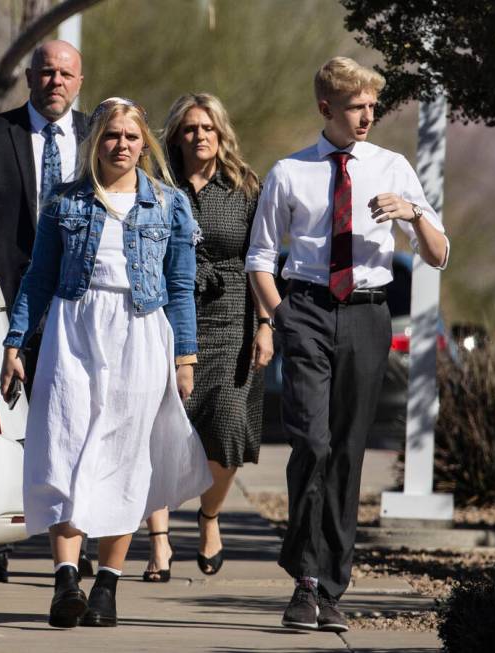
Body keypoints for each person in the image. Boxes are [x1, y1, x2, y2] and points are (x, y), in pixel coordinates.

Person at [245, 57, 449, 632]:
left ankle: (328, 585)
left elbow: (437, 253)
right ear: (326, 108)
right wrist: (281, 318)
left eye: (371, 106)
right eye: (356, 106)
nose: (367, 116)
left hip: (368, 315)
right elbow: (260, 258)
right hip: (305, 310)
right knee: (311, 440)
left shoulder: (393, 166)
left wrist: (412, 212)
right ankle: (305, 579)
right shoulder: (290, 172)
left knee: (348, 452)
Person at [0, 97, 212, 628]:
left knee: (126, 455)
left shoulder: (167, 205)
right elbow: (38, 278)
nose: (121, 145)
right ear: (96, 141)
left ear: (145, 144)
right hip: (73, 331)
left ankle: (108, 588)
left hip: (141, 331)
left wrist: (185, 357)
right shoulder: (65, 201)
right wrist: (15, 341)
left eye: (131, 137)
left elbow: (181, 286)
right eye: (112, 136)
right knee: (62, 445)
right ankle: (65, 580)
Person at [0, 40, 92, 583]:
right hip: (5, 302)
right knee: (8, 421)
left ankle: (81, 534)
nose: (56, 81)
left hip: (80, 304)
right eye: (46, 72)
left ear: (79, 82)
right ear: (30, 78)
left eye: (66, 74)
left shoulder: (97, 139)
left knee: (80, 419)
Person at [143, 94, 273, 583]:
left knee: (228, 429)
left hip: (230, 317)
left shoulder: (245, 187)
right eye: (190, 129)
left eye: (208, 128)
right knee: (159, 428)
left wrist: (266, 325)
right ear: (176, 135)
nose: (200, 136)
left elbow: (261, 259)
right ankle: (158, 540)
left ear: (221, 134)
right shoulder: (154, 186)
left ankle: (209, 515)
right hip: (165, 314)